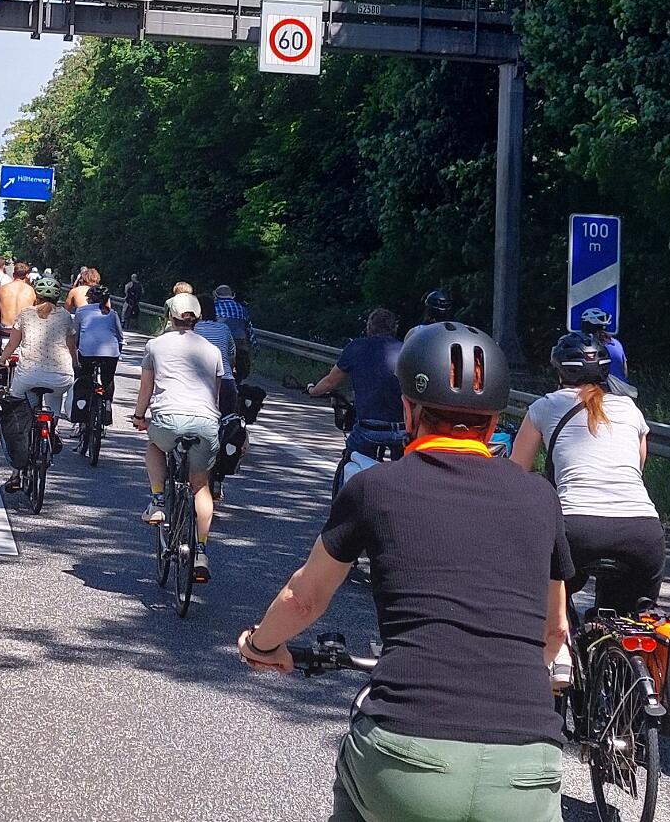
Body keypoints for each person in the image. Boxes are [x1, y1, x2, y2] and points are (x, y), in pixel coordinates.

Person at [236, 322, 573, 822]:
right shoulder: (541, 497)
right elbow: (555, 631)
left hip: (408, 754)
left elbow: (303, 599)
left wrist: (262, 645)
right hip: (527, 767)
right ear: (495, 422)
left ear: (408, 410)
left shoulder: (376, 488)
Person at [510, 332, 663, 620]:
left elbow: (515, 476)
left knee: (549, 609)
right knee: (634, 621)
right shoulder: (630, 409)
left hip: (578, 529)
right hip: (643, 532)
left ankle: (562, 644)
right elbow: (639, 466)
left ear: (559, 371)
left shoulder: (545, 406)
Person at [129, 294, 223, 580]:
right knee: (200, 486)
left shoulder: (155, 345)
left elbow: (146, 388)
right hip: (206, 422)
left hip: (169, 420)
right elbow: (215, 395)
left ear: (169, 316)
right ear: (197, 318)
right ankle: (201, 551)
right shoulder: (212, 350)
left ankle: (158, 501)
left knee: (154, 447)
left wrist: (139, 416)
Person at [307, 308, 405, 483]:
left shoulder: (357, 347)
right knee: (405, 473)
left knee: (350, 466)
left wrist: (313, 391)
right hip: (401, 430)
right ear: (394, 328)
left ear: (369, 327)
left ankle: (343, 497)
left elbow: (331, 381)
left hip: (368, 429)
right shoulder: (405, 350)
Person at [0, 297, 78, 492]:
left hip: (29, 377)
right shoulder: (65, 316)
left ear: (36, 297)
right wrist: (76, 364)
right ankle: (51, 430)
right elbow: (71, 346)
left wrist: (1, 361)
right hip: (60, 377)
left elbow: (12, 345)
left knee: (18, 411)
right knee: (54, 402)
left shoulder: (26, 314)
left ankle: (16, 474)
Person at [70, 284, 125, 427]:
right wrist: (118, 349)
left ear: (89, 299)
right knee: (108, 379)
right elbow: (120, 336)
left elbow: (75, 334)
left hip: (87, 353)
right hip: (110, 353)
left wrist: (75, 349)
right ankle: (107, 404)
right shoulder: (112, 313)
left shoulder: (81, 311)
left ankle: (83, 414)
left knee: (84, 379)